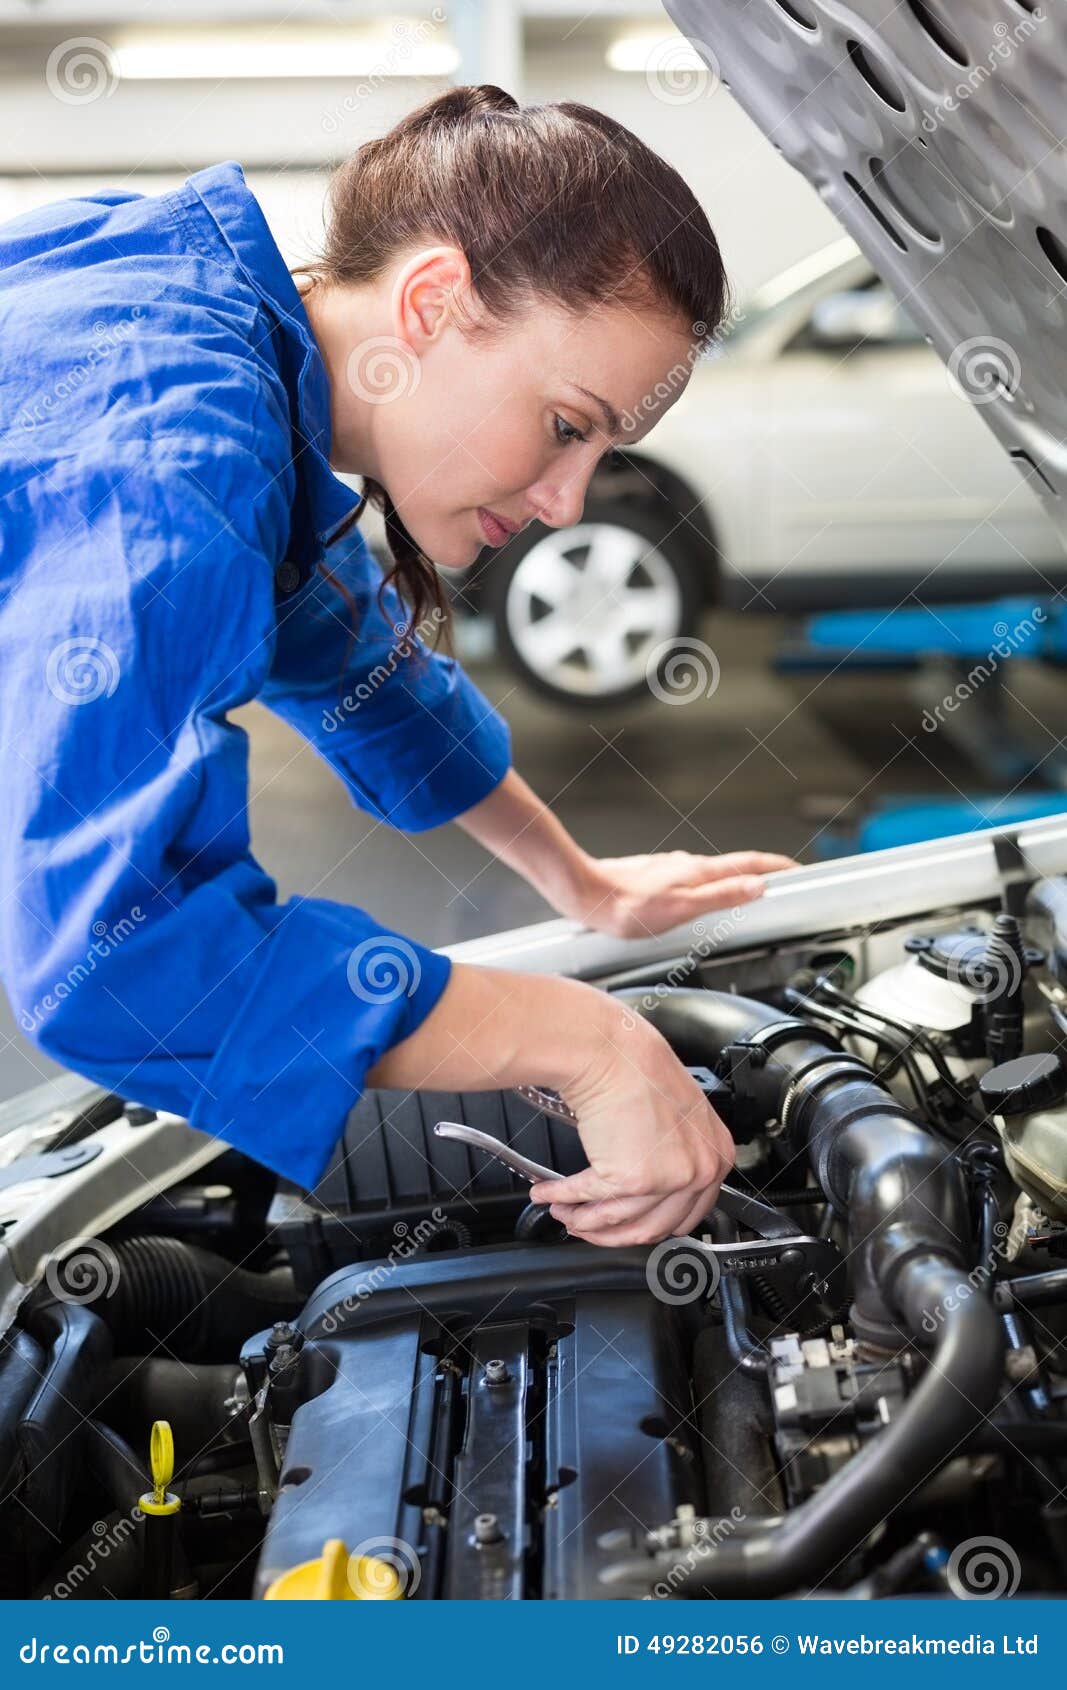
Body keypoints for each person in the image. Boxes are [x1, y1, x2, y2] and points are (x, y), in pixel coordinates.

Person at [0, 83, 794, 1249]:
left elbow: (352, 657)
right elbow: (121, 957)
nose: (569, 503)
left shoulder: (222, 324)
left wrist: (582, 883)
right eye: (566, 425)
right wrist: (588, 1042)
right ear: (429, 301)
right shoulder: (172, 453)